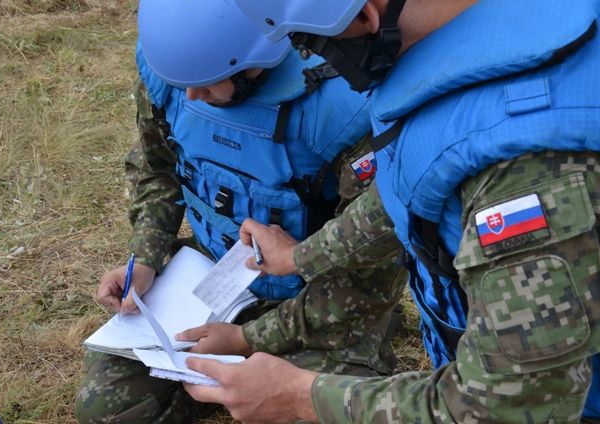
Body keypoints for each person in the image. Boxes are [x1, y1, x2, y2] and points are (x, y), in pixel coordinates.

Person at [182, 0, 600, 422]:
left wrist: (297, 395)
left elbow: (508, 405)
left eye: (311, 44)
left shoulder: (526, 173)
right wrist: (299, 257)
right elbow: (413, 179)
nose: (312, 60)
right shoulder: (454, 45)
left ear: (366, 16)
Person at [74, 0, 407, 422]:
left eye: (205, 82)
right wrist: (146, 256)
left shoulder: (343, 111)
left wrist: (246, 338)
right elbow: (158, 168)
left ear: (253, 60)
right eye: (183, 83)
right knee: (106, 410)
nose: (191, 95)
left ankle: (366, 343)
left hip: (318, 297)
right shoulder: (175, 72)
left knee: (313, 408)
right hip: (211, 280)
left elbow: (366, 273)